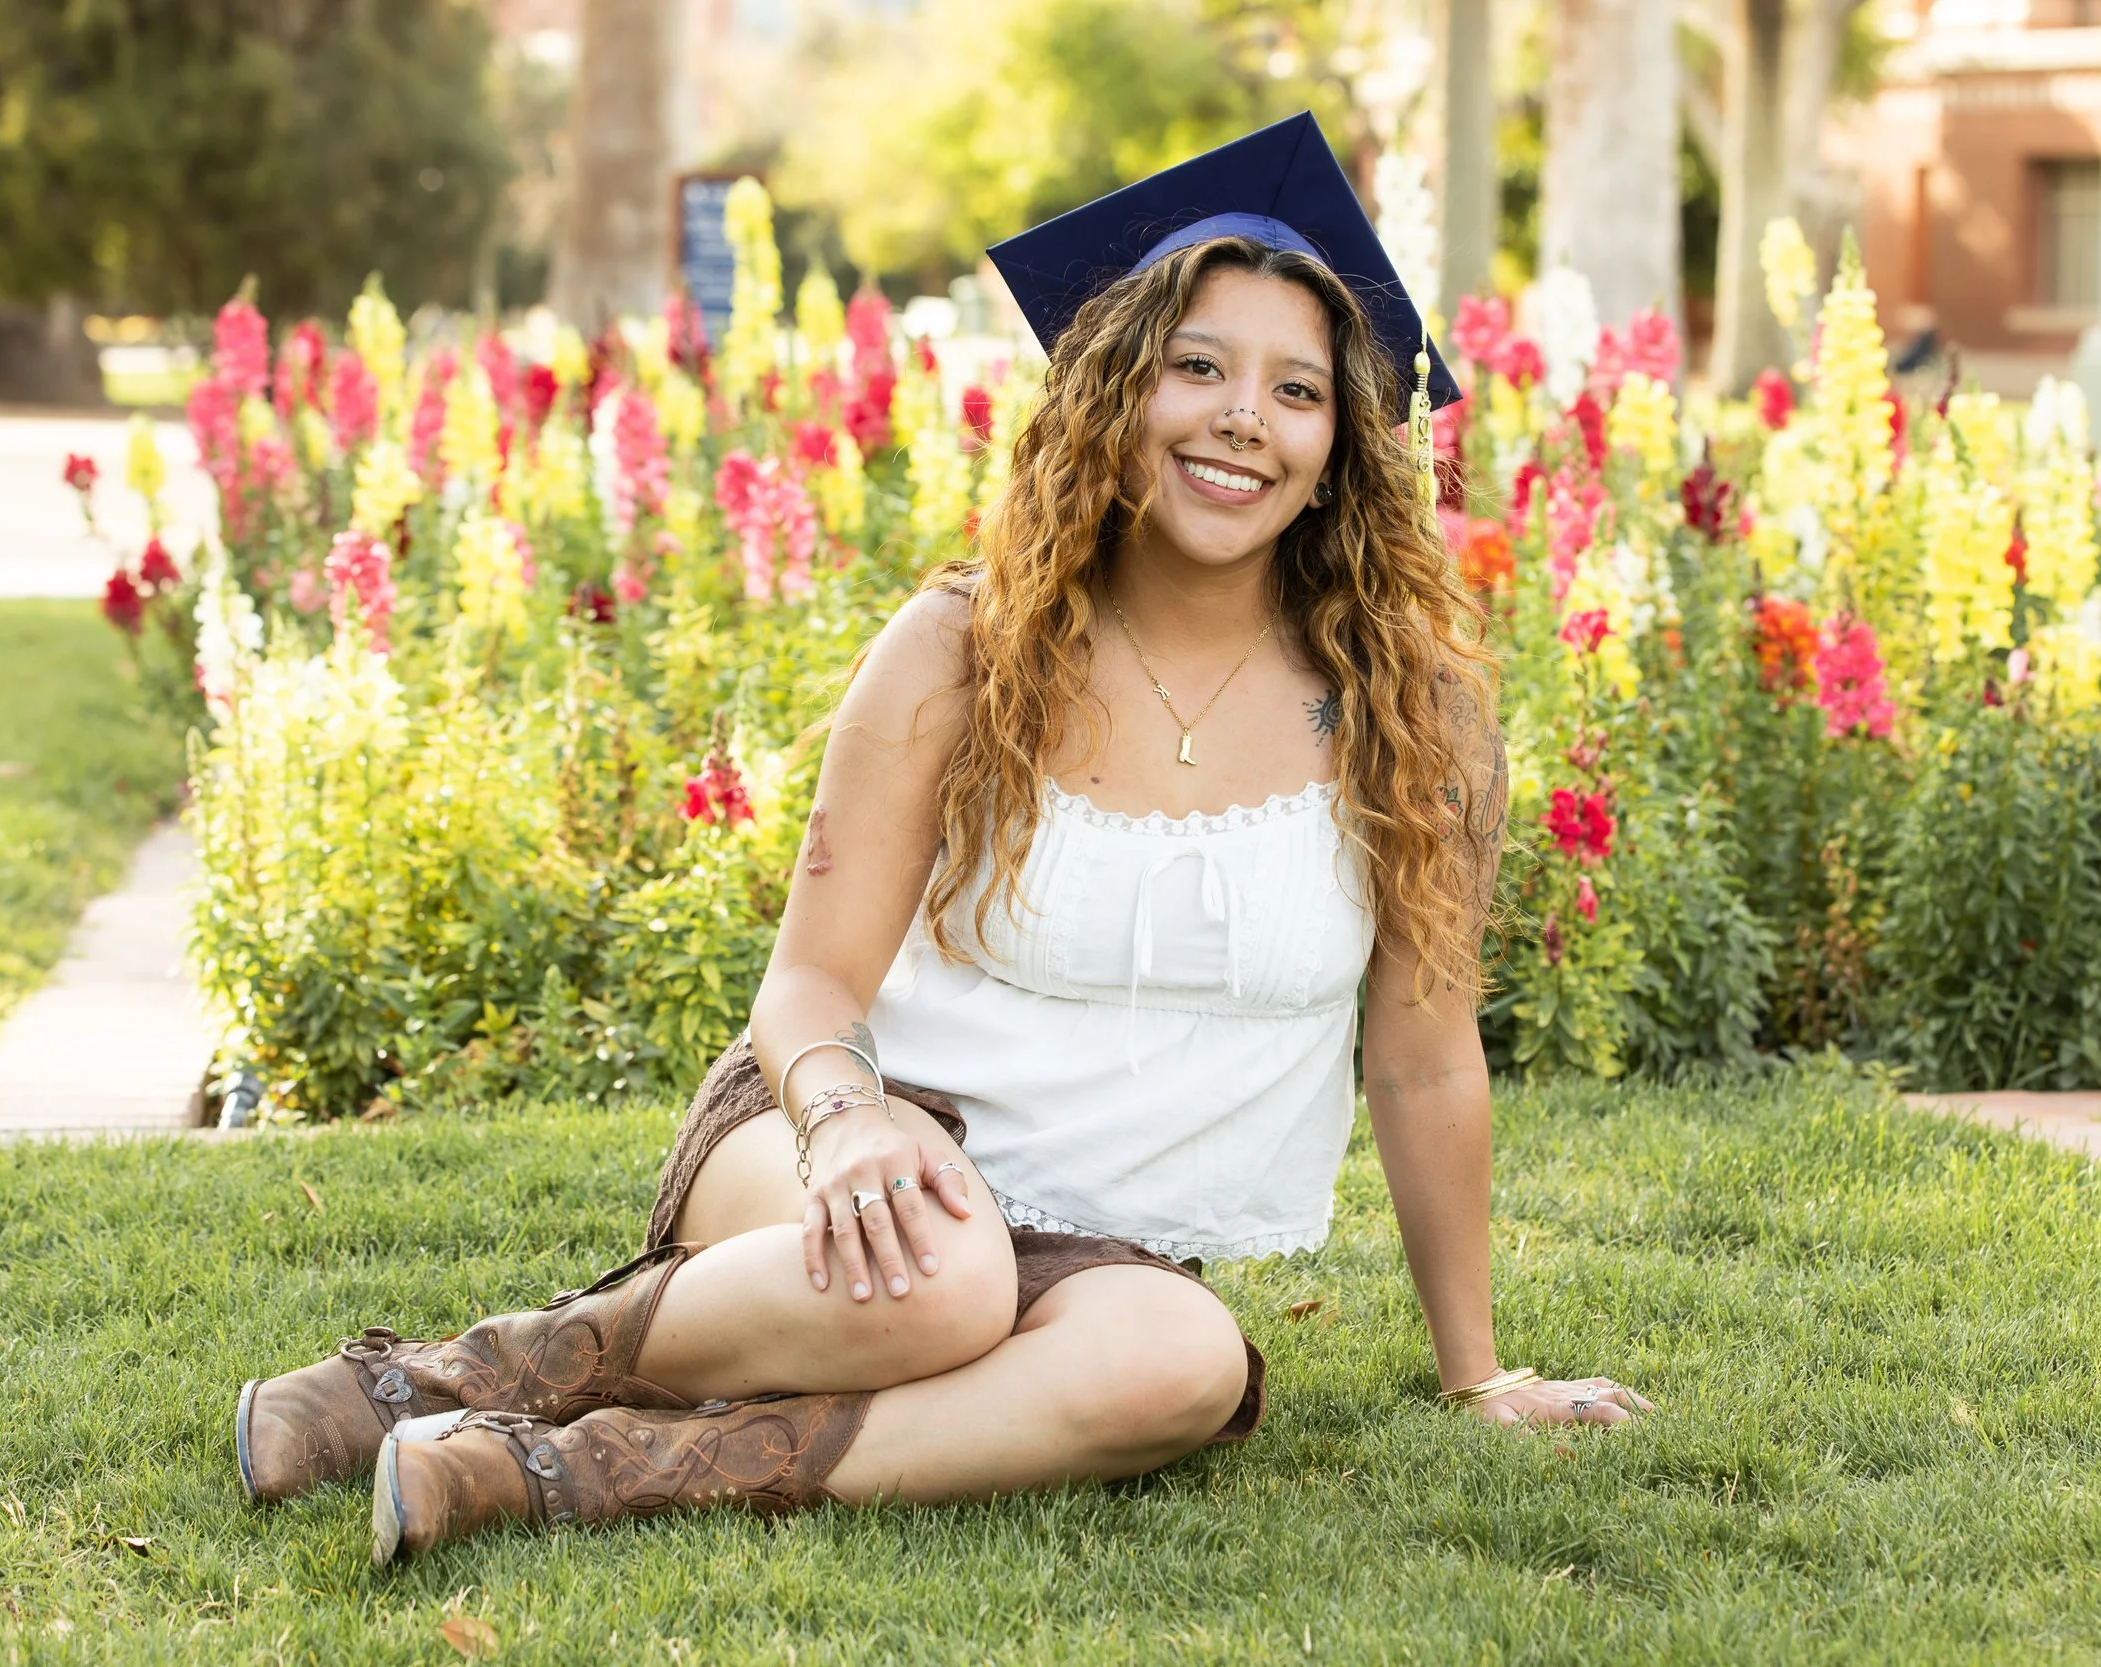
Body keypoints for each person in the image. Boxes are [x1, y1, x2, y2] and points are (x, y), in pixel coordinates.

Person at [230, 113, 1649, 1565]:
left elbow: (1421, 1054)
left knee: (1188, 1360)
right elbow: (807, 991)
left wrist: (1477, 1371)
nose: (1244, 420)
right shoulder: (965, 647)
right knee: (944, 1276)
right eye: (1198, 367)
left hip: (1101, 1250)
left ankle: (569, 1472)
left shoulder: (1412, 718)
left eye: (1295, 390)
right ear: (1110, 395)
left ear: (1340, 438)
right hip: (838, 1134)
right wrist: (846, 1122)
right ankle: (425, 1382)